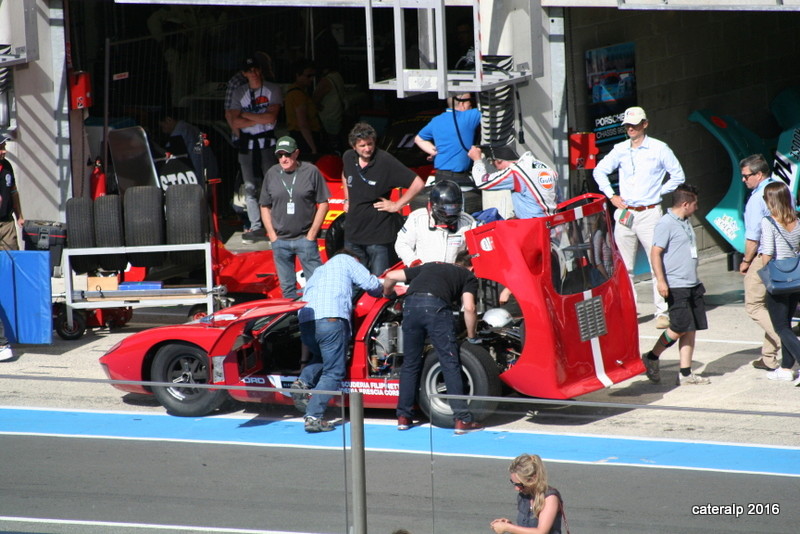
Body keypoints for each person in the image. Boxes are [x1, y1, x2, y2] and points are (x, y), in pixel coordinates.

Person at [593, 106, 685, 330]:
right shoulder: (621, 148)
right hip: (626, 212)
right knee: (624, 266)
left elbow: (678, 175)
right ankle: (629, 310)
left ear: (645, 124)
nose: (630, 128)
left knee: (656, 263)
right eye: (627, 125)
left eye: (634, 124)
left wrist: (658, 193)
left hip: (650, 211)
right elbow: (599, 171)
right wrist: (612, 195)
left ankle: (662, 311)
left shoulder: (659, 148)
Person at [383, 250, 483, 434]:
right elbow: (469, 307)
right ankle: (461, 419)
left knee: (410, 363)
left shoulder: (430, 266)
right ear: (473, 267)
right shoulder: (468, 276)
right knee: (449, 361)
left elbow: (390, 276)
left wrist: (387, 294)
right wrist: (471, 336)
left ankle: (404, 417)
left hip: (411, 308)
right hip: (436, 309)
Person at [292, 250, 386, 432]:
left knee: (323, 359)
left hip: (306, 322)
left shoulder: (319, 270)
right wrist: (386, 289)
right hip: (331, 319)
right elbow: (371, 284)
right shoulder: (346, 260)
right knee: (333, 371)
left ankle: (302, 382)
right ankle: (313, 417)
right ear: (355, 259)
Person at [641, 184, 710, 386]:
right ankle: (652, 357)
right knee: (679, 326)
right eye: (695, 204)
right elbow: (655, 253)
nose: (697, 208)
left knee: (691, 328)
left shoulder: (686, 221)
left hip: (692, 283)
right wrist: (661, 281)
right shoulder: (666, 223)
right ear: (686, 204)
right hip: (676, 284)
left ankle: (686, 373)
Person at [341, 122, 426, 275]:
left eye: (370, 144)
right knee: (353, 283)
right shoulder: (348, 157)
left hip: (378, 237)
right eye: (362, 145)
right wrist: (347, 199)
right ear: (354, 146)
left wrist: (397, 205)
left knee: (378, 283)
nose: (367, 149)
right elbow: (345, 174)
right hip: (353, 234)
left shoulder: (385, 160)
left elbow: (418, 183)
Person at [260, 136, 330, 299]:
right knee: (287, 290)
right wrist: (272, 235)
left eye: (287, 154)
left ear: (296, 153)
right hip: (280, 240)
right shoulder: (272, 173)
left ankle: (316, 320)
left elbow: (324, 204)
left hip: (305, 238)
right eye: (280, 155)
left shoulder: (311, 171)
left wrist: (312, 234)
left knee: (317, 286)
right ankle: (292, 322)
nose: (284, 159)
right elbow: (264, 205)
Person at [227, 56, 283, 244]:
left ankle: (275, 224)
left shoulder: (272, 89)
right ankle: (256, 225)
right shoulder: (239, 92)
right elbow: (234, 121)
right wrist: (260, 117)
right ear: (244, 73)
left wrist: (245, 114)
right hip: (246, 144)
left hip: (267, 143)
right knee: (249, 187)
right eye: (249, 71)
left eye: (256, 69)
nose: (254, 73)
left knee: (272, 184)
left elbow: (271, 118)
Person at [738, 154, 782, 371]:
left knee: (754, 305)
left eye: (746, 176)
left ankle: (786, 341)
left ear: (759, 174)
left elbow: (753, 236)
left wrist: (746, 261)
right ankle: (768, 357)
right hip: (785, 256)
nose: (744, 180)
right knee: (771, 307)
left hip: (764, 257)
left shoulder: (758, 198)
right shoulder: (782, 189)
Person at [758, 182, 800, 385]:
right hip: (796, 279)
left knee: (781, 326)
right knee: (787, 323)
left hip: (778, 278)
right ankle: (785, 367)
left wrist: (764, 274)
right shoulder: (797, 220)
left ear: (771, 200)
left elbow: (767, 251)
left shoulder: (768, 221)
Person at [395, 180, 477, 266]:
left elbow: (474, 252)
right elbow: (402, 244)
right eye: (445, 210)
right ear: (432, 205)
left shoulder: (468, 222)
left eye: (453, 208)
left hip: (453, 273)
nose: (449, 213)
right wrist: (415, 263)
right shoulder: (417, 218)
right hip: (424, 272)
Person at [468, 144, 562, 219]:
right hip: (552, 225)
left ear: (499, 160)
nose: (498, 171)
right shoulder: (545, 168)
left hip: (535, 228)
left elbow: (482, 182)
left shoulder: (516, 171)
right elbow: (558, 200)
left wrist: (477, 160)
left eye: (494, 165)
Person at [415, 92, 481, 188]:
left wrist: (435, 152)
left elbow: (418, 139)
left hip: (440, 176)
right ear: (462, 104)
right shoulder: (468, 117)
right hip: (459, 178)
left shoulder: (436, 120)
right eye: (469, 104)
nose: (471, 107)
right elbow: (490, 108)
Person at [490, 453, 565, 534]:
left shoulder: (550, 498)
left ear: (533, 479)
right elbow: (527, 528)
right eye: (514, 483)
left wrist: (509, 527)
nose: (516, 488)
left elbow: (541, 532)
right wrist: (508, 525)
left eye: (520, 484)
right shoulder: (524, 496)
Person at [158, 109, 219, 181]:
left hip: (195, 175)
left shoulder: (180, 132)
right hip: (208, 172)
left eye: (163, 126)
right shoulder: (192, 129)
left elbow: (169, 155)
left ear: (169, 120)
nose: (163, 130)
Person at [285, 60, 322, 158]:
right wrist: (313, 148)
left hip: (302, 136)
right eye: (308, 76)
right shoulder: (297, 94)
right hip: (303, 138)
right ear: (298, 75)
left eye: (313, 76)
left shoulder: (299, 92)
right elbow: (303, 123)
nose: (312, 79)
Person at [313, 60, 347, 154]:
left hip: (328, 118)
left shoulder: (326, 81)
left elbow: (315, 98)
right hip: (337, 114)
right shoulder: (338, 76)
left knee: (330, 145)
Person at [0, 135, 23, 251]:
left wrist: (19, 216)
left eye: (4, 146)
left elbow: (13, 192)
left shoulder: (7, 166)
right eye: (0, 148)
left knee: (12, 257)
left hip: (7, 223)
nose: (4, 151)